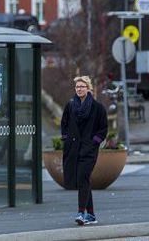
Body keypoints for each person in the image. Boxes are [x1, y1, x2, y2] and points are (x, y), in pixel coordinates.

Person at [61, 76, 108, 226]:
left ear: (88, 88)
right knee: (84, 180)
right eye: (77, 87)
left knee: (82, 177)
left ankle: (81, 212)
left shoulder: (97, 108)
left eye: (82, 86)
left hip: (89, 150)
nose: (79, 89)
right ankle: (92, 215)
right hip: (74, 148)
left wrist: (94, 142)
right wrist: (66, 138)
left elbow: (103, 128)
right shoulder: (70, 106)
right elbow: (64, 123)